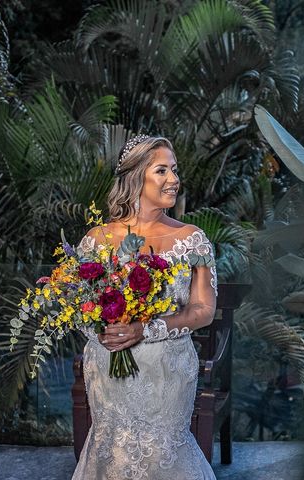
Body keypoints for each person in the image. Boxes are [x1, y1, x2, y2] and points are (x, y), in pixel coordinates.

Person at [72, 135, 218, 480]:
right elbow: (78, 306)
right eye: (162, 170)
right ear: (136, 177)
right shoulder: (96, 239)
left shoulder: (191, 239)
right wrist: (102, 329)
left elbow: (203, 310)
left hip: (167, 373)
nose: (174, 179)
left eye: (175, 170)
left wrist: (145, 329)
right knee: (111, 448)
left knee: (162, 454)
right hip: (107, 369)